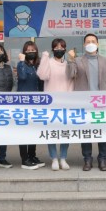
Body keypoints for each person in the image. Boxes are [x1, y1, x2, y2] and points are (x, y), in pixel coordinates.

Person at [67, 33, 106, 171]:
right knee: (86, 132)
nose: (90, 43)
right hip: (84, 103)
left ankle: (102, 159)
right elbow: (71, 75)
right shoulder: (78, 60)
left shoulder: (105, 61)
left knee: (102, 132)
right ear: (84, 44)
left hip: (101, 102)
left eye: (93, 41)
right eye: (88, 41)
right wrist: (71, 60)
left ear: (97, 44)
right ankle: (87, 159)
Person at [37, 38, 75, 170]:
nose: (59, 49)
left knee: (65, 132)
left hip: (66, 103)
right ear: (52, 49)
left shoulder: (68, 64)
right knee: (52, 132)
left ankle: (63, 158)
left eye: (61, 47)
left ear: (65, 49)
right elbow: (42, 76)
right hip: (51, 104)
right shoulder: (48, 62)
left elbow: (72, 81)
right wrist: (44, 57)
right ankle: (54, 158)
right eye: (56, 47)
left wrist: (69, 100)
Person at [17, 41, 45, 170]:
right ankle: (24, 159)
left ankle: (32, 155)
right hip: (23, 103)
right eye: (28, 50)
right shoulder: (21, 65)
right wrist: (21, 62)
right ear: (24, 52)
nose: (30, 52)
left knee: (34, 130)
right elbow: (22, 77)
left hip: (36, 103)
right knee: (23, 131)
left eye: (33, 50)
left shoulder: (38, 65)